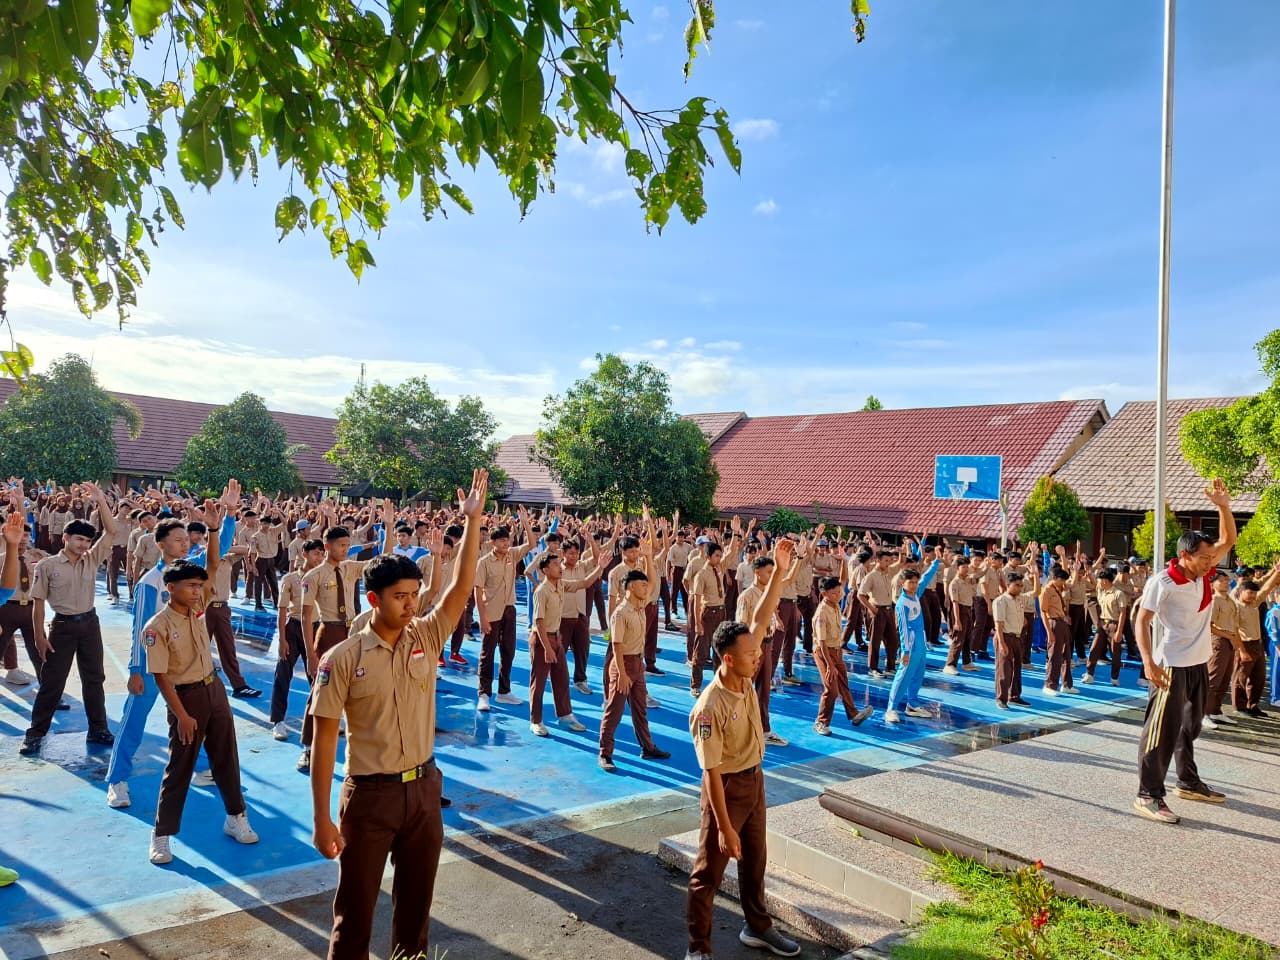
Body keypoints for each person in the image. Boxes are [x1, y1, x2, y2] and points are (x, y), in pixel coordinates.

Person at [310, 472, 487, 960]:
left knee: (415, 915)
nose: (411, 605)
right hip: (369, 796)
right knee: (355, 917)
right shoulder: (342, 658)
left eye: (414, 594)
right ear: (374, 600)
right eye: (400, 597)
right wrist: (323, 817)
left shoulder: (425, 637)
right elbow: (326, 740)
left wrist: (471, 522)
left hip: (425, 791)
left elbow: (461, 584)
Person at [684, 538, 800, 960]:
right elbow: (711, 773)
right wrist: (725, 827)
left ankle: (758, 927)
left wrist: (781, 575)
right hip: (726, 789)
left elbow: (760, 617)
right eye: (750, 655)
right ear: (728, 660)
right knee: (707, 873)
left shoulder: (745, 677)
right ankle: (698, 949)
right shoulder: (709, 707)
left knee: (756, 862)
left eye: (758, 652)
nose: (758, 658)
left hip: (755, 781)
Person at [106, 490, 239, 808]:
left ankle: (203, 767)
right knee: (133, 721)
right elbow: (140, 628)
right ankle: (117, 780)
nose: (185, 543)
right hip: (155, 665)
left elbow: (216, 553)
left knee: (193, 717)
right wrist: (137, 670)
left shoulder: (192, 572)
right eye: (178, 539)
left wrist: (229, 515)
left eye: (186, 538)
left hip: (188, 664)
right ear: (160, 543)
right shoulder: (150, 582)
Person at [1132, 478, 1236, 825]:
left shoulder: (1202, 574)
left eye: (1211, 557)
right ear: (1185, 556)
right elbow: (1142, 620)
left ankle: (1187, 782)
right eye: (1204, 558)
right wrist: (1147, 661)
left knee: (1189, 728)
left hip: (1197, 663)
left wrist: (1223, 505)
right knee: (1161, 730)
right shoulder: (1162, 582)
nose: (1211, 562)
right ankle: (1148, 794)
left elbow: (1228, 540)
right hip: (1170, 665)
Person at [296, 500, 395, 772]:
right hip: (328, 632)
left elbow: (383, 560)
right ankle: (307, 747)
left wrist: (387, 525)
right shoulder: (313, 576)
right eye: (341, 545)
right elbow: (306, 617)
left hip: (352, 633)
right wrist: (311, 655)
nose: (345, 548)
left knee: (362, 686)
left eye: (347, 544)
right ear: (327, 547)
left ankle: (368, 743)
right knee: (319, 691)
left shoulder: (350, 568)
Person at [20, 482, 117, 756]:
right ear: (66, 538)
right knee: (52, 682)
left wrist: (101, 501)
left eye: (87, 541)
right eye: (79, 539)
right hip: (61, 626)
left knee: (94, 678)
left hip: (90, 625)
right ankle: (35, 733)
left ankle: (98, 729)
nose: (84, 545)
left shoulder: (91, 558)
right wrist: (39, 636)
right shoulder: (48, 565)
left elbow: (111, 531)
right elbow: (37, 603)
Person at [598, 549, 672, 772]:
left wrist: (649, 558)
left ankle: (647, 747)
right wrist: (621, 674)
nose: (646, 589)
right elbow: (616, 646)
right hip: (623, 665)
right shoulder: (621, 613)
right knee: (614, 711)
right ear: (631, 587)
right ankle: (605, 753)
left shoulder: (640, 604)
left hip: (637, 665)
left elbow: (652, 581)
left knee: (640, 709)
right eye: (641, 585)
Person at [527, 548, 607, 737]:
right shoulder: (541, 591)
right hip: (542, 640)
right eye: (555, 564)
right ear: (545, 570)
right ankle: (536, 721)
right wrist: (547, 648)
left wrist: (600, 568)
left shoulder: (561, 584)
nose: (559, 567)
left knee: (561, 678)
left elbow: (585, 582)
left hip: (556, 638)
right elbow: (538, 621)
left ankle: (565, 715)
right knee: (538, 683)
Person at [473, 507, 536, 713]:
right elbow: (477, 590)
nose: (506, 544)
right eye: (501, 541)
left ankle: (504, 691)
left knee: (508, 651)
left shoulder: (512, 555)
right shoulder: (484, 562)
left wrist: (525, 522)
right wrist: (482, 618)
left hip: (509, 610)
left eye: (507, 540)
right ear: (493, 543)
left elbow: (532, 544)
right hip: (491, 611)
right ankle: (484, 693)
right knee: (487, 653)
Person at [270, 538, 325, 741]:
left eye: (321, 553)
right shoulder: (291, 579)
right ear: (305, 555)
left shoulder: (323, 576)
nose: (319, 557)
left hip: (316, 629)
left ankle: (318, 719)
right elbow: (282, 611)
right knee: (283, 674)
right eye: (315, 553)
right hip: (293, 628)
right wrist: (282, 640)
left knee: (319, 676)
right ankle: (278, 721)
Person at [885, 546, 942, 722]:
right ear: (903, 583)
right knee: (903, 675)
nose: (915, 585)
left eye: (915, 582)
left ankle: (913, 704)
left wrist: (936, 562)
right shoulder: (902, 604)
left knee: (918, 673)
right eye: (911, 582)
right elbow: (902, 629)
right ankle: (891, 708)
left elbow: (926, 578)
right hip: (910, 643)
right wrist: (906, 651)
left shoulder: (916, 594)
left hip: (921, 640)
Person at [813, 576, 874, 734]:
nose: (838, 595)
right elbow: (821, 642)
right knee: (831, 689)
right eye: (834, 593)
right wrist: (830, 664)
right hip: (824, 652)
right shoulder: (822, 612)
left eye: (839, 591)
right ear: (824, 594)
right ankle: (821, 722)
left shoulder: (835, 606)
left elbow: (845, 579)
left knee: (843, 683)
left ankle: (853, 714)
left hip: (836, 650)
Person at [1231, 563, 1280, 719]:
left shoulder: (1254, 604)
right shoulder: (1236, 607)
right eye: (1249, 592)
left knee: (1258, 678)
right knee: (1240, 677)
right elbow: (1235, 632)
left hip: (1257, 644)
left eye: (1254, 593)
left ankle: (1253, 705)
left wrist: (1276, 572)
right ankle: (1239, 706)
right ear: (1241, 592)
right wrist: (1242, 651)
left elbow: (1266, 589)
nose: (1252, 595)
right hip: (1244, 645)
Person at [991, 567, 1036, 709]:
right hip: (1005, 636)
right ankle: (1001, 698)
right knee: (1004, 669)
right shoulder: (1001, 601)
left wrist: (1035, 575)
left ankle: (1014, 696)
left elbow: (1036, 593)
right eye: (1017, 585)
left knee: (1017, 668)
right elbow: (999, 624)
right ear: (1008, 585)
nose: (1020, 588)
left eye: (1021, 585)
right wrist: (1002, 643)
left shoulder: (1019, 599)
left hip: (1017, 637)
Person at [1083, 568, 1127, 687]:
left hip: (1114, 624)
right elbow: (1094, 584)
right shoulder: (1101, 592)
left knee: (1115, 652)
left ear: (1107, 581)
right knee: (1094, 648)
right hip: (1102, 623)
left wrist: (1119, 630)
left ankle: (1114, 677)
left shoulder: (1118, 594)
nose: (1100, 582)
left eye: (1102, 580)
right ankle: (1089, 673)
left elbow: (1123, 612)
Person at [1038, 565, 1075, 697]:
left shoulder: (1057, 589)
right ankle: (1049, 685)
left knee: (1066, 654)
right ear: (1054, 578)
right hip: (1053, 622)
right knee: (1054, 655)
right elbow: (1043, 612)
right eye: (1061, 580)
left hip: (1061, 622)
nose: (1063, 583)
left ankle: (1067, 684)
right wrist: (1049, 632)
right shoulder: (1046, 591)